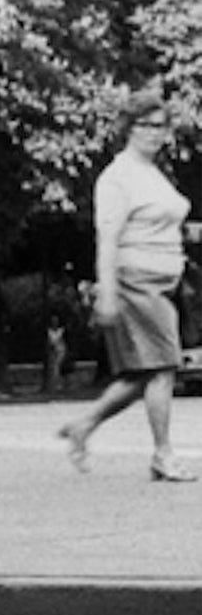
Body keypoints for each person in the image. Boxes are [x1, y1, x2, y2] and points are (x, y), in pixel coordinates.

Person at [57, 87, 196, 482]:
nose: (156, 133)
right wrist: (108, 293)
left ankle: (84, 426)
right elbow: (108, 239)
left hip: (165, 282)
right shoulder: (117, 177)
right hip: (136, 282)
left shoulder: (153, 174)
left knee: (141, 376)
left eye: (162, 126)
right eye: (147, 126)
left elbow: (167, 222)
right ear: (128, 129)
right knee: (163, 369)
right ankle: (162, 455)